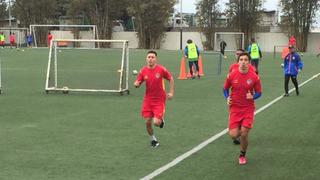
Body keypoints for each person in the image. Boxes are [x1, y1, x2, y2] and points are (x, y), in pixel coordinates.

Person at [223, 52, 262, 165]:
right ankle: (242, 126)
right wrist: (227, 97)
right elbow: (225, 89)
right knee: (234, 135)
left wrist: (253, 96)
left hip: (248, 108)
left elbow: (259, 92)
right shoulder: (231, 75)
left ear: (249, 62)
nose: (243, 62)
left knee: (244, 133)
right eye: (241, 60)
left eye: (246, 60)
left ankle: (242, 154)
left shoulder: (254, 76)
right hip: (234, 108)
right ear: (238, 62)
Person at [134, 50, 174, 148]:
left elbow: (171, 79)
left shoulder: (161, 69)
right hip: (148, 100)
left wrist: (171, 92)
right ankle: (153, 140)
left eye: (152, 57)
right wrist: (136, 84)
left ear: (156, 59)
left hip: (159, 99)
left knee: (156, 123)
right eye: (149, 57)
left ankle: (161, 121)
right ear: (146, 59)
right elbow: (137, 82)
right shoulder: (142, 71)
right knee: (147, 122)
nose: (150, 59)